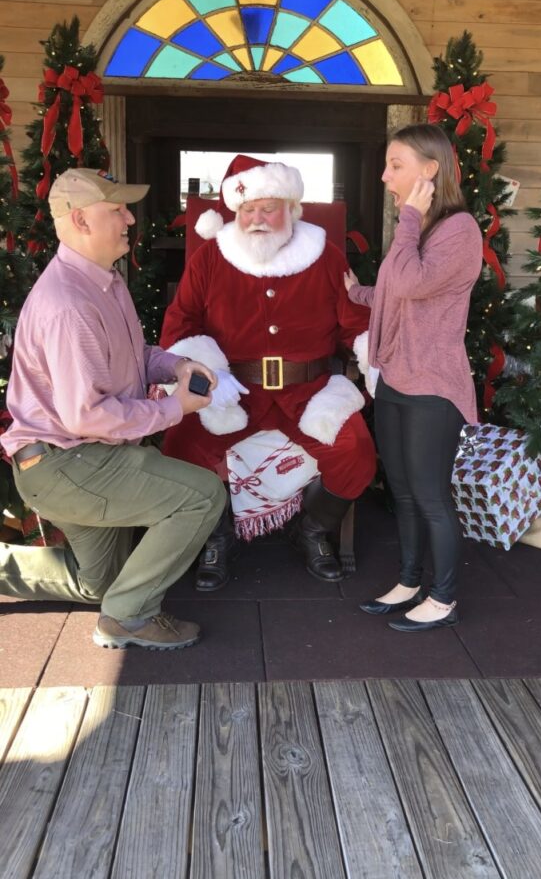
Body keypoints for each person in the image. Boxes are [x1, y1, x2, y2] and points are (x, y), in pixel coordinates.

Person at [0, 168, 226, 650]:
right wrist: (175, 410)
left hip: (79, 458)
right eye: (117, 209)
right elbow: (88, 416)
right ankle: (129, 618)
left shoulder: (101, 280)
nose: (129, 218)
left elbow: (133, 355)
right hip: (68, 461)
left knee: (97, 585)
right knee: (202, 496)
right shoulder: (69, 305)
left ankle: (36, 578)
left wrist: (177, 365)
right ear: (81, 220)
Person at [160, 154, 377, 591]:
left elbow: (356, 322)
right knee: (179, 448)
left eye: (268, 207)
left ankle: (311, 531)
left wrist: (371, 359)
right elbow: (181, 324)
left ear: (291, 209)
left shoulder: (325, 255)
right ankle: (217, 535)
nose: (257, 218)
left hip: (308, 390)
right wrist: (203, 377)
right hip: (234, 391)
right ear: (235, 213)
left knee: (356, 454)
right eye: (247, 210)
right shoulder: (210, 259)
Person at [345, 124, 482, 632]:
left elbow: (409, 280)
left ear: (430, 169)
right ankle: (407, 580)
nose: (385, 177)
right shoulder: (424, 227)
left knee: (429, 494)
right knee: (401, 490)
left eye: (395, 165)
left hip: (433, 387)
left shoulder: (458, 229)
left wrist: (407, 219)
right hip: (398, 379)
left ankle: (443, 598)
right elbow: (395, 293)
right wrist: (358, 292)